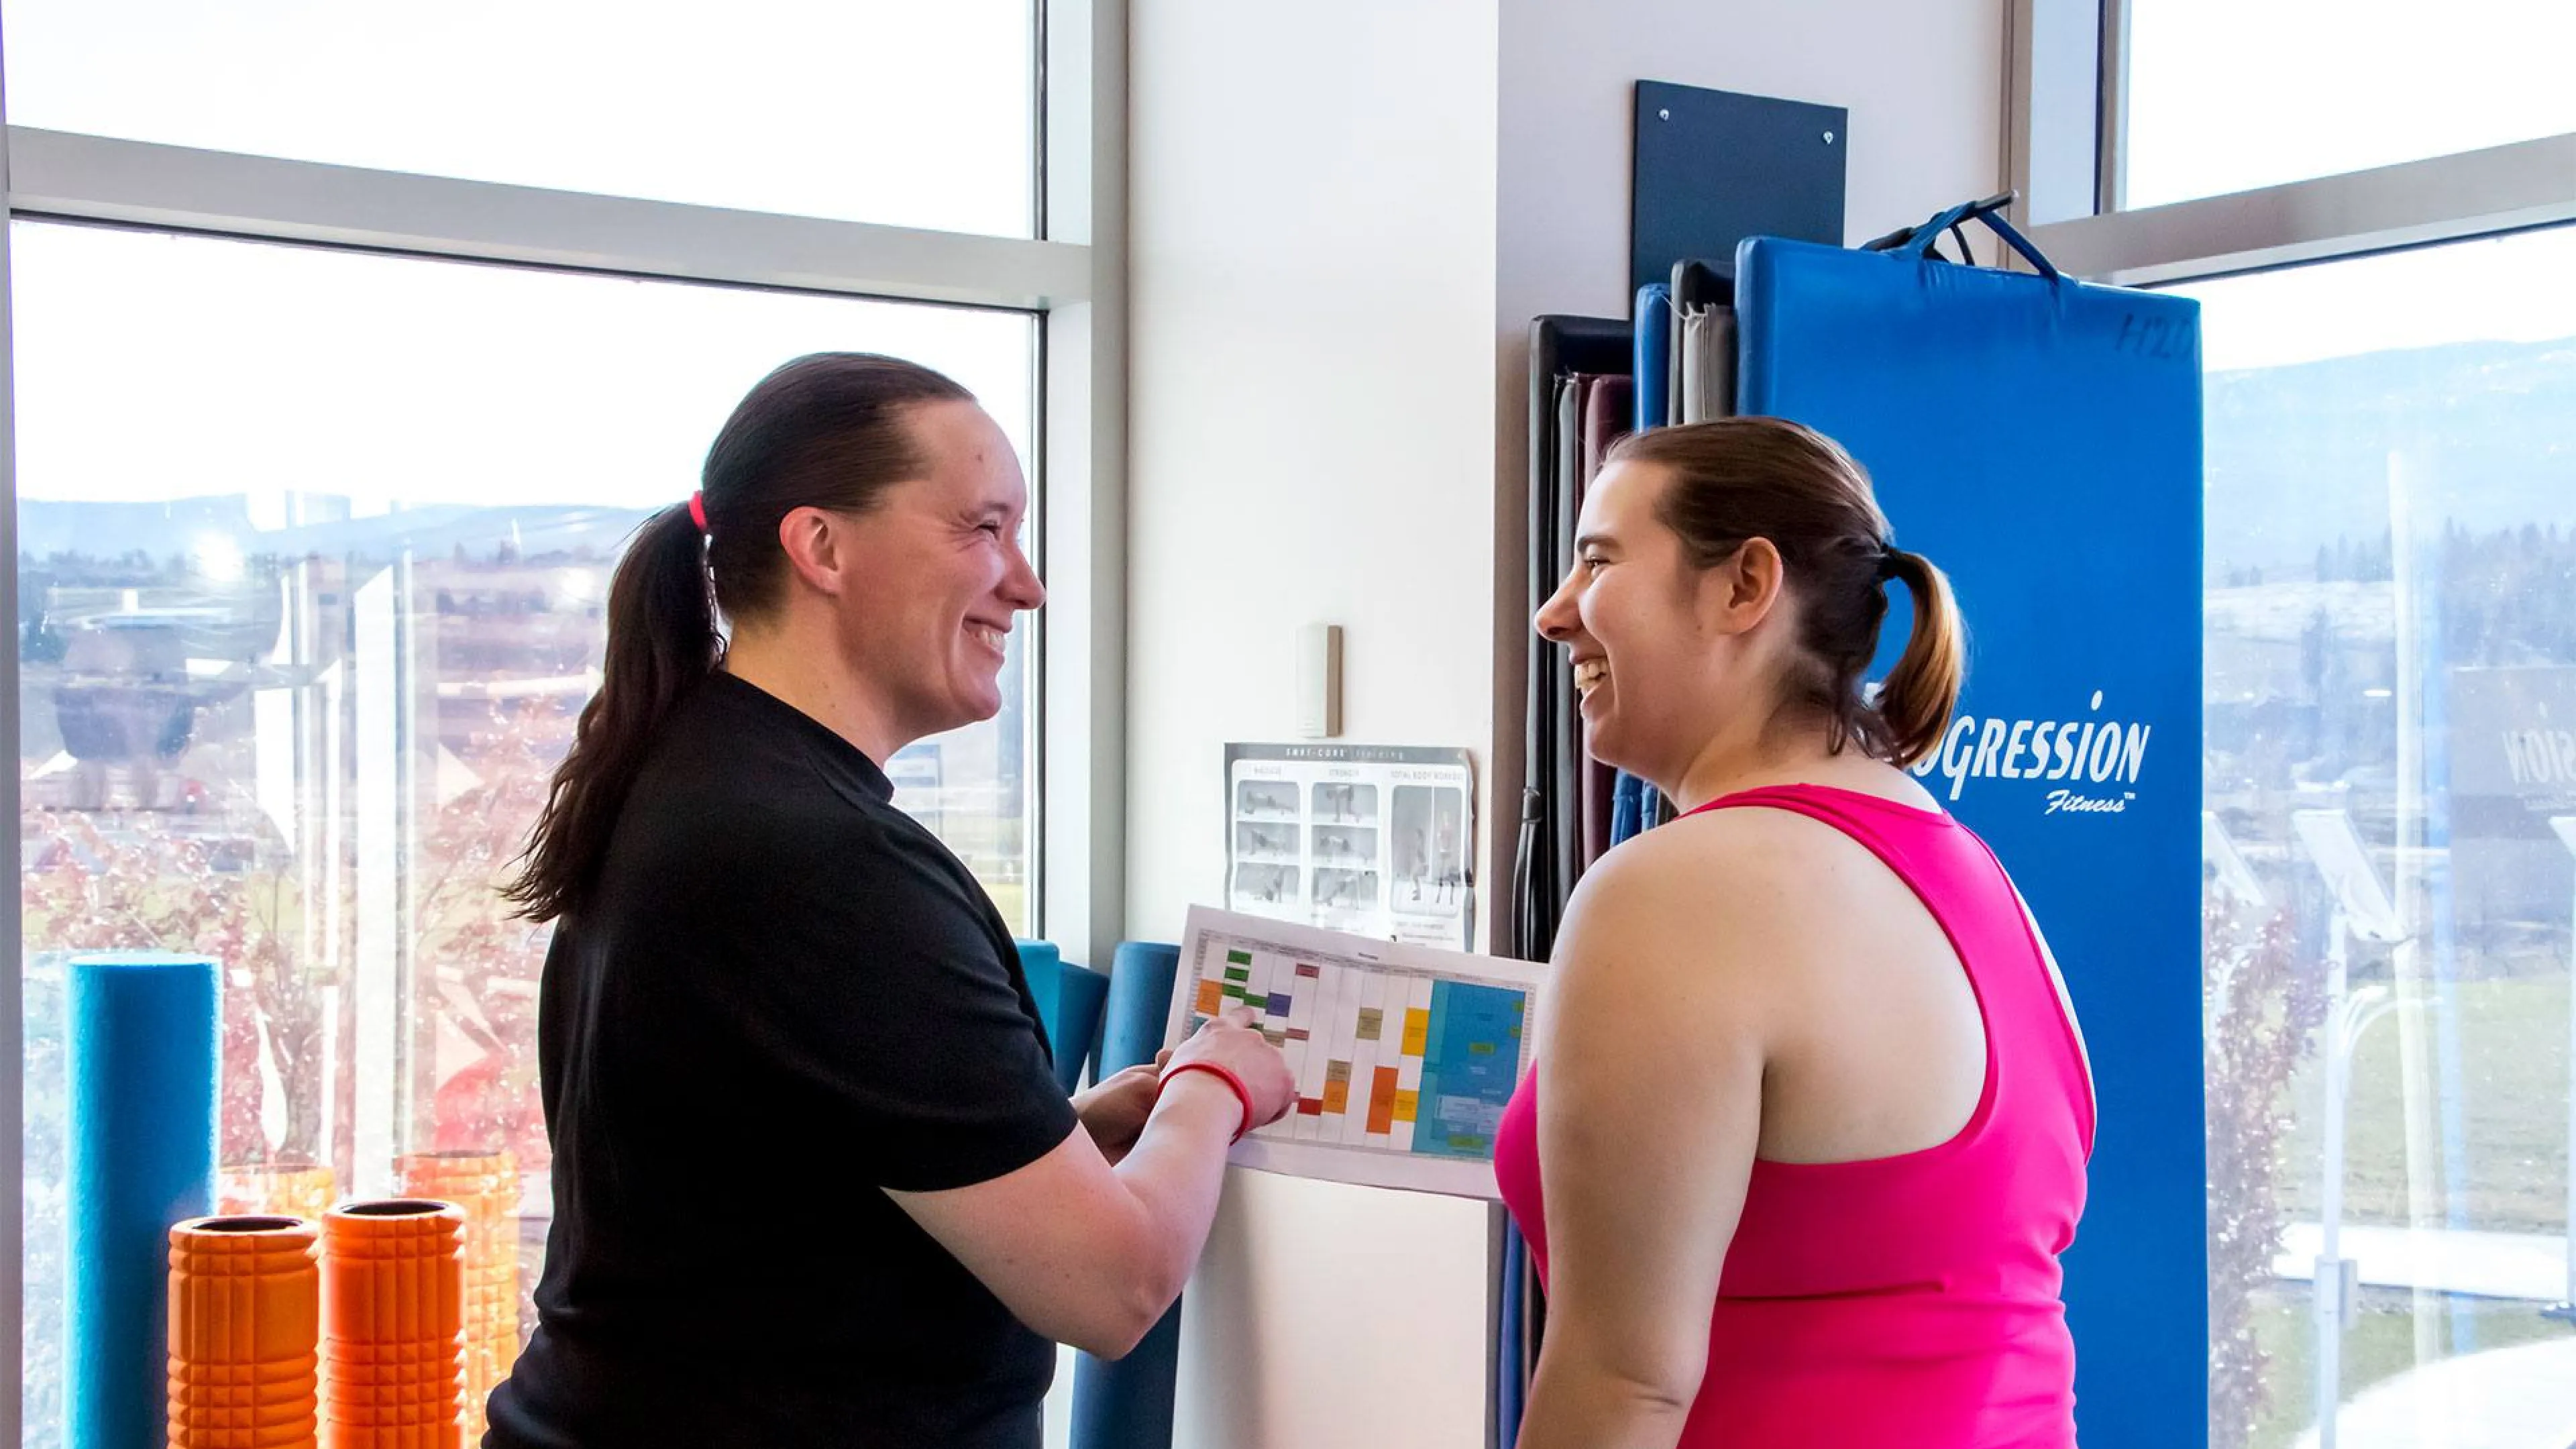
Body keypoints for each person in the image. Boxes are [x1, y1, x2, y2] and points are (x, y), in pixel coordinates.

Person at [485, 354, 1295, 1448]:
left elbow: (784, 1193)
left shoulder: (702, 778)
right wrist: (1214, 1082)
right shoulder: (813, 861)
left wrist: (1070, 1139)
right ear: (822, 546)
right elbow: (1116, 1291)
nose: (1027, 584)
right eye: (983, 529)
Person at [1497, 418, 2094, 1449]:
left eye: (1596, 562)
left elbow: (1621, 1385)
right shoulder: (1981, 881)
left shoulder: (1675, 893)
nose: (1555, 615)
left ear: (1744, 587)